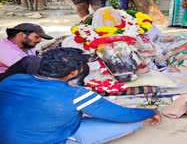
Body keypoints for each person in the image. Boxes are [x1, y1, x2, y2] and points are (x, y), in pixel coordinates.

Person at [0, 48, 161, 143]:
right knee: (134, 123)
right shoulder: (76, 94)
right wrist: (152, 111)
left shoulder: (13, 79)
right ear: (74, 73)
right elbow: (125, 115)